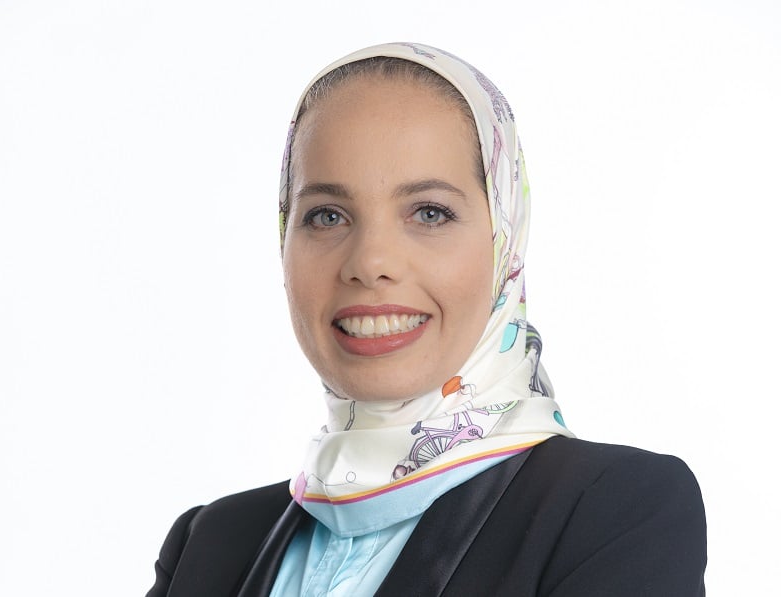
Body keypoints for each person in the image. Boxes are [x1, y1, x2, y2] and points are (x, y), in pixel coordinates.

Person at [146, 42, 707, 596]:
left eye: (430, 212)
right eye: (327, 216)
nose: (371, 263)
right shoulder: (210, 544)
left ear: (504, 239)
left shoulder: (612, 513)